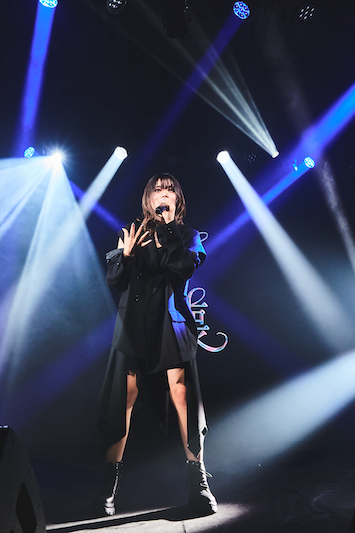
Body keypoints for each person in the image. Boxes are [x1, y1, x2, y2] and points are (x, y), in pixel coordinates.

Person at [97, 173, 217, 516]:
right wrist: (126, 255)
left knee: (182, 395)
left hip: (171, 321)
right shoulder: (133, 232)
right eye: (157, 190)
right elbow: (115, 280)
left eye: (169, 190)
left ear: (177, 199)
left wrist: (168, 228)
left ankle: (198, 482)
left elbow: (183, 267)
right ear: (147, 198)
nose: (163, 194)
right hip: (134, 324)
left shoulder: (187, 235)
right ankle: (109, 486)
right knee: (125, 398)